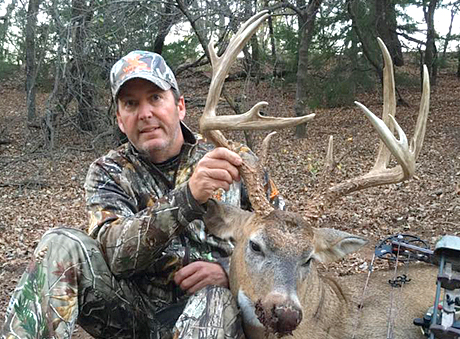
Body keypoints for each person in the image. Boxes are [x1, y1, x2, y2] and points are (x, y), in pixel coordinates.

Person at [1, 51, 282, 339]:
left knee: (214, 300)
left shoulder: (235, 161)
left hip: (217, 312)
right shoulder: (108, 171)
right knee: (60, 244)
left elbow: (286, 242)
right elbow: (114, 256)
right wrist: (187, 198)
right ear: (121, 120)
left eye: (155, 98)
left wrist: (229, 272)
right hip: (134, 317)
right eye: (131, 104)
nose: (145, 113)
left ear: (180, 106)